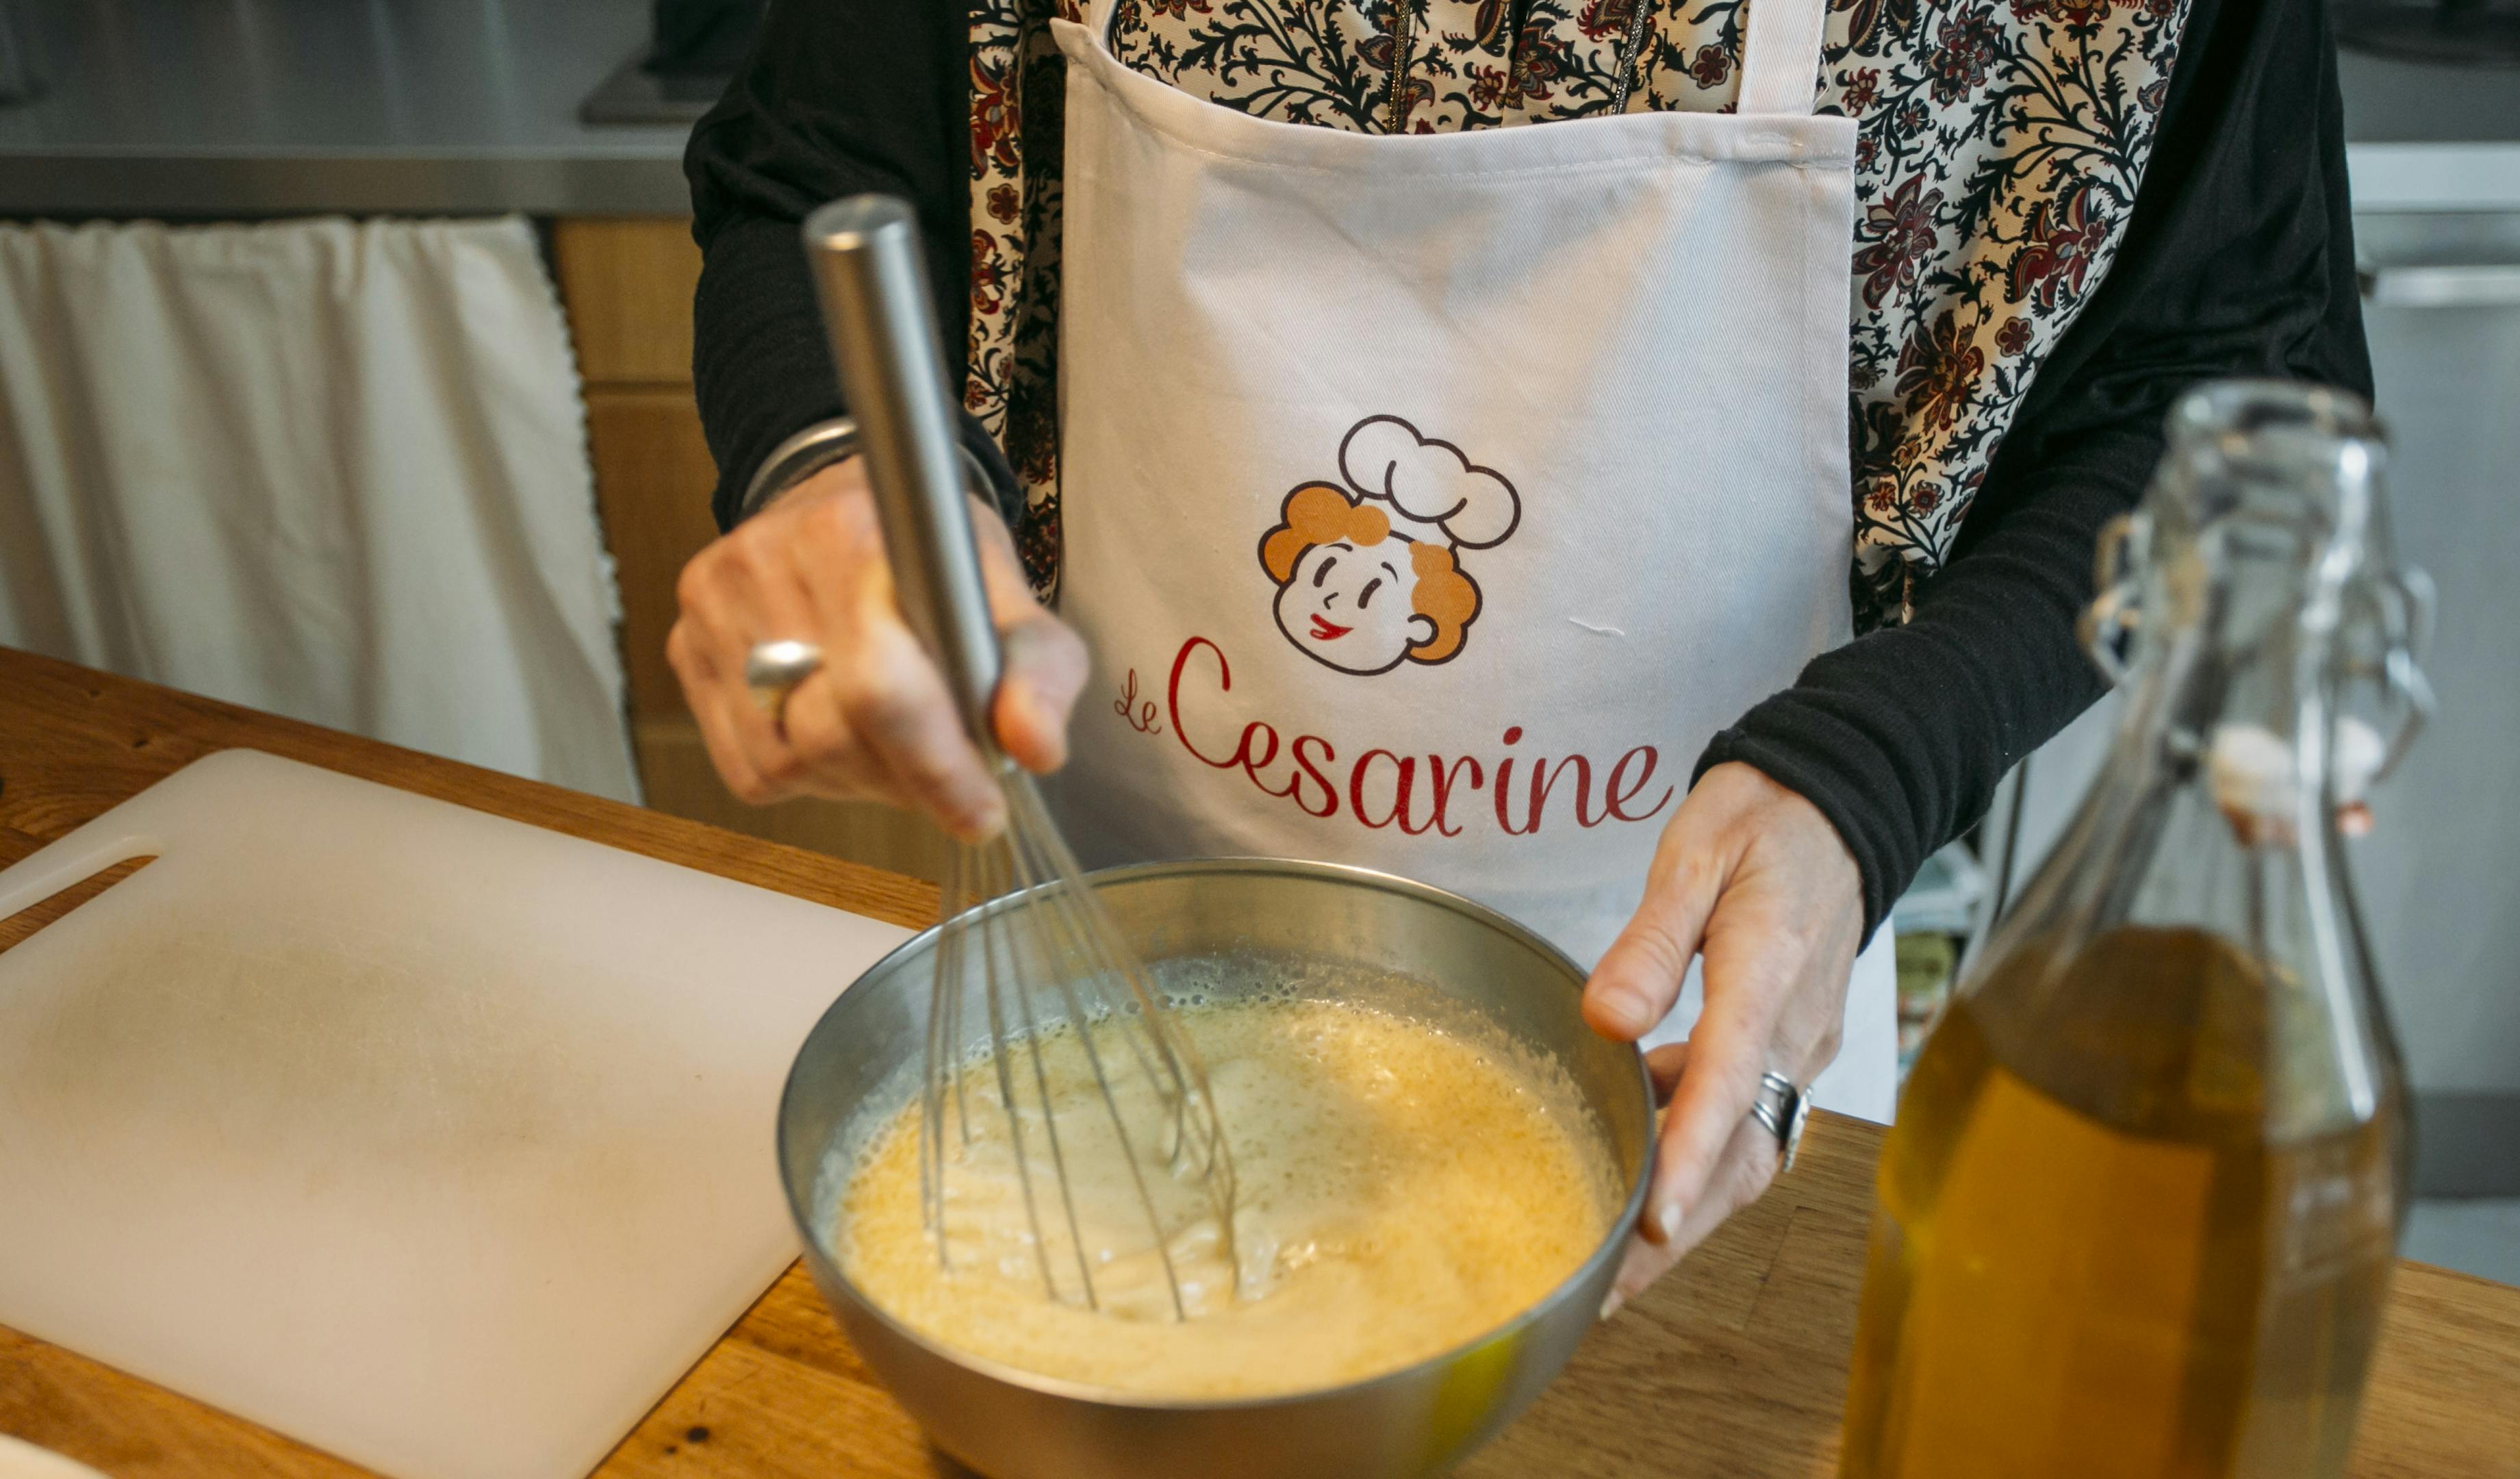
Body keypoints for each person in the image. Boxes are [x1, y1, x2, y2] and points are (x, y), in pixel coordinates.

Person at [670, 0, 2370, 1309]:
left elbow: (2227, 372)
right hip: (1096, 974)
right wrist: (834, 470)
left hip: (1722, 1045)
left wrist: (1878, 773)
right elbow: (812, 169)